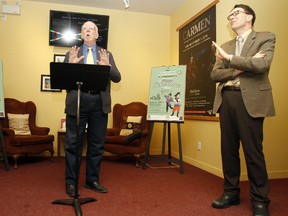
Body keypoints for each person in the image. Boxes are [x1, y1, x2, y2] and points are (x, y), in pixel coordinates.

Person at [210, 4, 275, 216]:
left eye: (235, 13)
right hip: (226, 99)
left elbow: (261, 65)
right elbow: (215, 75)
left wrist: (229, 60)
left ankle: (260, 200)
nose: (231, 18)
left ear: (249, 17)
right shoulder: (226, 45)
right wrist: (240, 66)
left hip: (251, 100)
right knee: (228, 151)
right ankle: (231, 193)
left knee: (253, 152)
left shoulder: (265, 37)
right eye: (229, 15)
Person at [63, 21, 121, 197]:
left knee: (97, 144)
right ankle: (71, 182)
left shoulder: (107, 54)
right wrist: (70, 67)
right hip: (78, 101)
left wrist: (108, 67)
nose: (88, 31)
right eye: (84, 29)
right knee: (73, 144)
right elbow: (63, 81)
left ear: (97, 35)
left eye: (92, 29)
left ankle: (92, 180)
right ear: (81, 35)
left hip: (99, 102)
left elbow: (117, 78)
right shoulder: (71, 53)